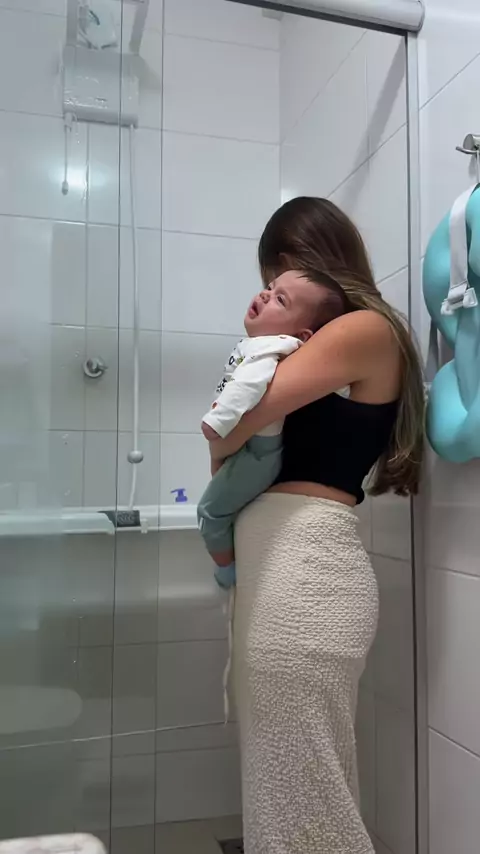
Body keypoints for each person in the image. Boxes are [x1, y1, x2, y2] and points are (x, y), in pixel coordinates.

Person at [205, 197, 424, 854]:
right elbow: (227, 443)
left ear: (302, 260)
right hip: (282, 573)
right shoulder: (315, 343)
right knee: (290, 796)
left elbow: (229, 427)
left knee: (305, 803)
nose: (271, 295)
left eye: (280, 280)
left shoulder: (366, 329)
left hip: (305, 575)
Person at [198, 269, 348, 590]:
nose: (265, 294)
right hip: (252, 448)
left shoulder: (270, 349)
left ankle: (228, 573)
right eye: (270, 287)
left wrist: (217, 422)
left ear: (303, 334)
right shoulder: (260, 345)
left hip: (258, 453)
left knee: (209, 513)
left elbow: (248, 387)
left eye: (280, 299)